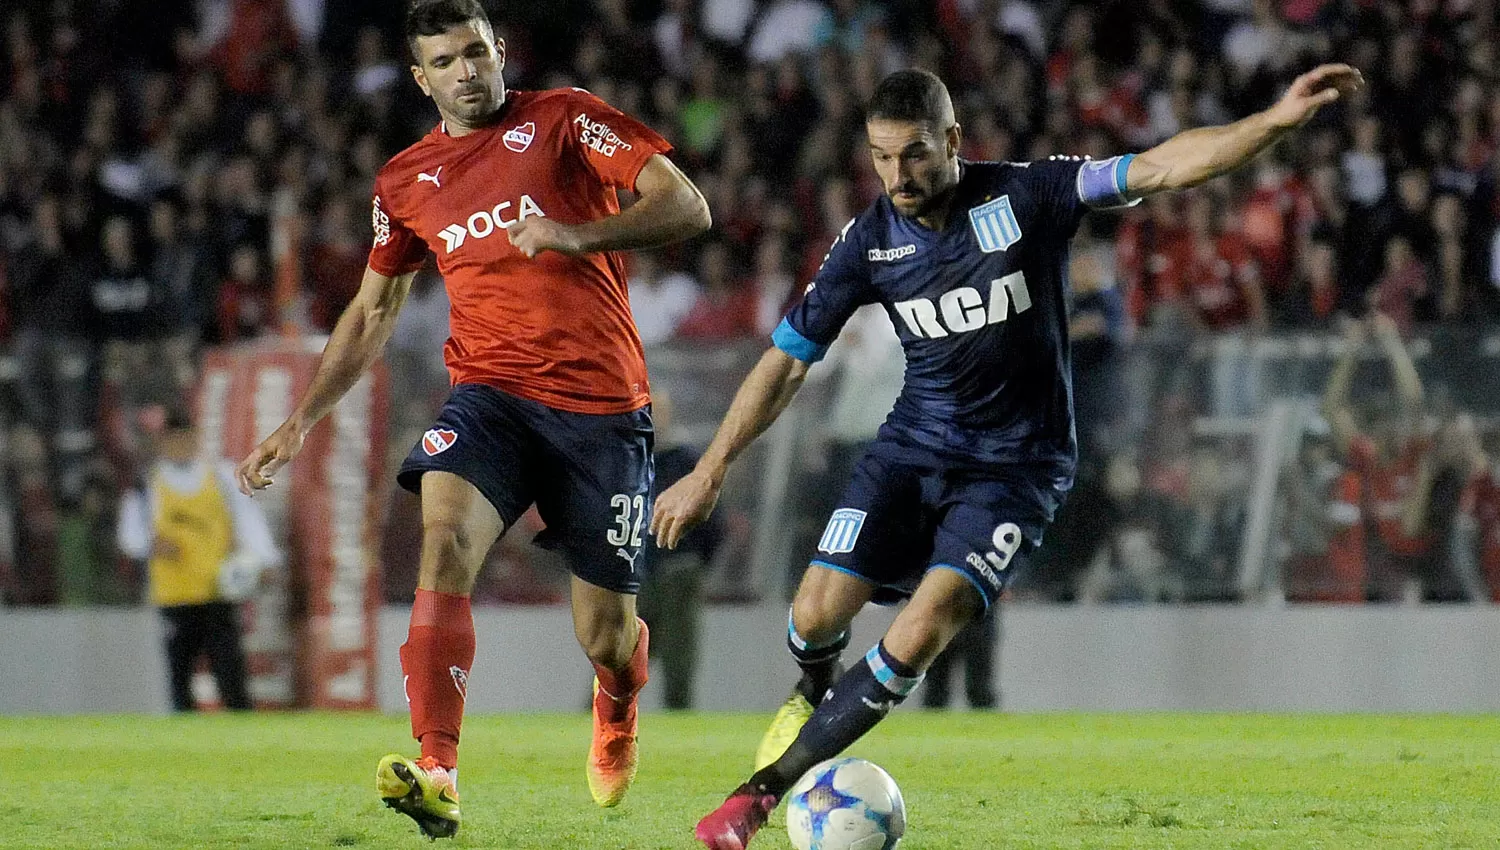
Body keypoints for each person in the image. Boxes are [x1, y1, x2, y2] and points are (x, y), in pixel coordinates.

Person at [651, 64, 1363, 849]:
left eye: (915, 155)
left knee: (924, 626)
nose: (898, 176)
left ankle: (755, 798)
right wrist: (711, 466)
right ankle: (814, 683)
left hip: (1017, 471)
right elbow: (786, 360)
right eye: (882, 158)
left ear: (953, 139)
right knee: (814, 615)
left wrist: (1270, 122)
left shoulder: (1028, 197)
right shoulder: (868, 241)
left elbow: (1160, 165)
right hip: (912, 448)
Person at [234, 0, 710, 839]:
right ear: (422, 79)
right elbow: (374, 309)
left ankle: (618, 694)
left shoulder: (565, 119)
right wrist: (302, 419)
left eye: (479, 52)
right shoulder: (405, 182)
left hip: (602, 411)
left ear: (499, 52)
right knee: (442, 535)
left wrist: (568, 234)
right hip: (489, 394)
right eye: (448, 61)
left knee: (605, 634)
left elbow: (687, 207)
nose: (469, 70)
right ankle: (439, 770)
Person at [117, 405, 282, 712]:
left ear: (195, 439)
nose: (181, 447)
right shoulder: (146, 485)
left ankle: (243, 735)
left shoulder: (220, 477)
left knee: (230, 671)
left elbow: (248, 521)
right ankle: (185, 738)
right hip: (175, 595)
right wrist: (151, 545)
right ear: (162, 443)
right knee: (180, 675)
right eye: (173, 441)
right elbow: (130, 535)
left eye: (186, 439)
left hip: (218, 591)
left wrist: (265, 560)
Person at [636, 389, 724, 710]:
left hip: (677, 570)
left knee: (678, 656)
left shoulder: (686, 462)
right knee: (621, 653)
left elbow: (712, 520)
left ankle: (678, 713)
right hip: (640, 571)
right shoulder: (635, 460)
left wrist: (694, 560)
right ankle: (601, 717)